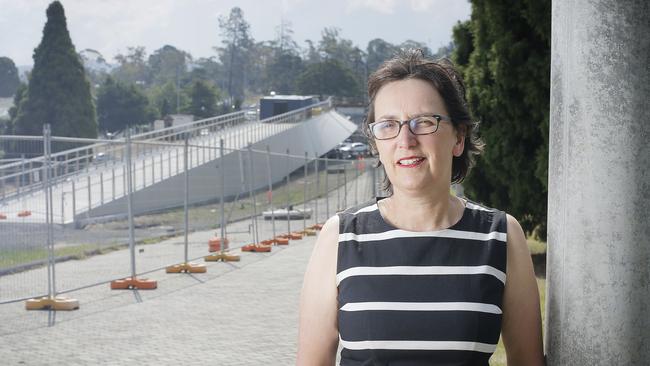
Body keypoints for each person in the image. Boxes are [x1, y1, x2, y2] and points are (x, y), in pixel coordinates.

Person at [297, 49, 544, 365]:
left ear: (458, 137)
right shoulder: (341, 238)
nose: (406, 139)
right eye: (388, 125)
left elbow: (527, 361)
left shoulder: (502, 236)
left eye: (423, 121)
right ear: (376, 143)